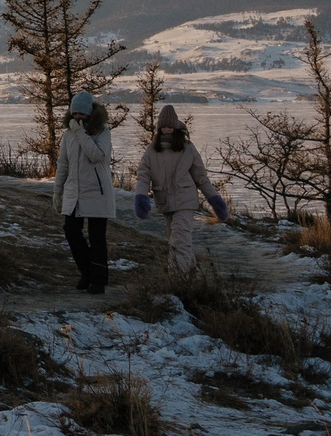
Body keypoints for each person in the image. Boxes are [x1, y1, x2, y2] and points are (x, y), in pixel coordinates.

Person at [134, 103, 229, 274]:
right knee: (174, 239)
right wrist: (141, 196)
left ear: (176, 126)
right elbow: (143, 175)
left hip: (185, 200)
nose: (167, 129)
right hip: (165, 201)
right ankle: (190, 272)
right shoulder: (151, 151)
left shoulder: (188, 149)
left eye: (170, 126)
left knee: (180, 239)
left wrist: (215, 200)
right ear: (159, 127)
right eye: (164, 126)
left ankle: (178, 280)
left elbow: (201, 178)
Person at [52, 90, 116, 293]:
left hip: (97, 191)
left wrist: (80, 133)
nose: (78, 118)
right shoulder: (68, 134)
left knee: (97, 238)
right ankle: (87, 272)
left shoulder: (102, 132)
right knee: (71, 232)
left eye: (82, 114)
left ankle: (98, 280)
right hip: (75, 190)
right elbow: (63, 164)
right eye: (75, 114)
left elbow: (97, 155)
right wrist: (57, 191)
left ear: (90, 113)